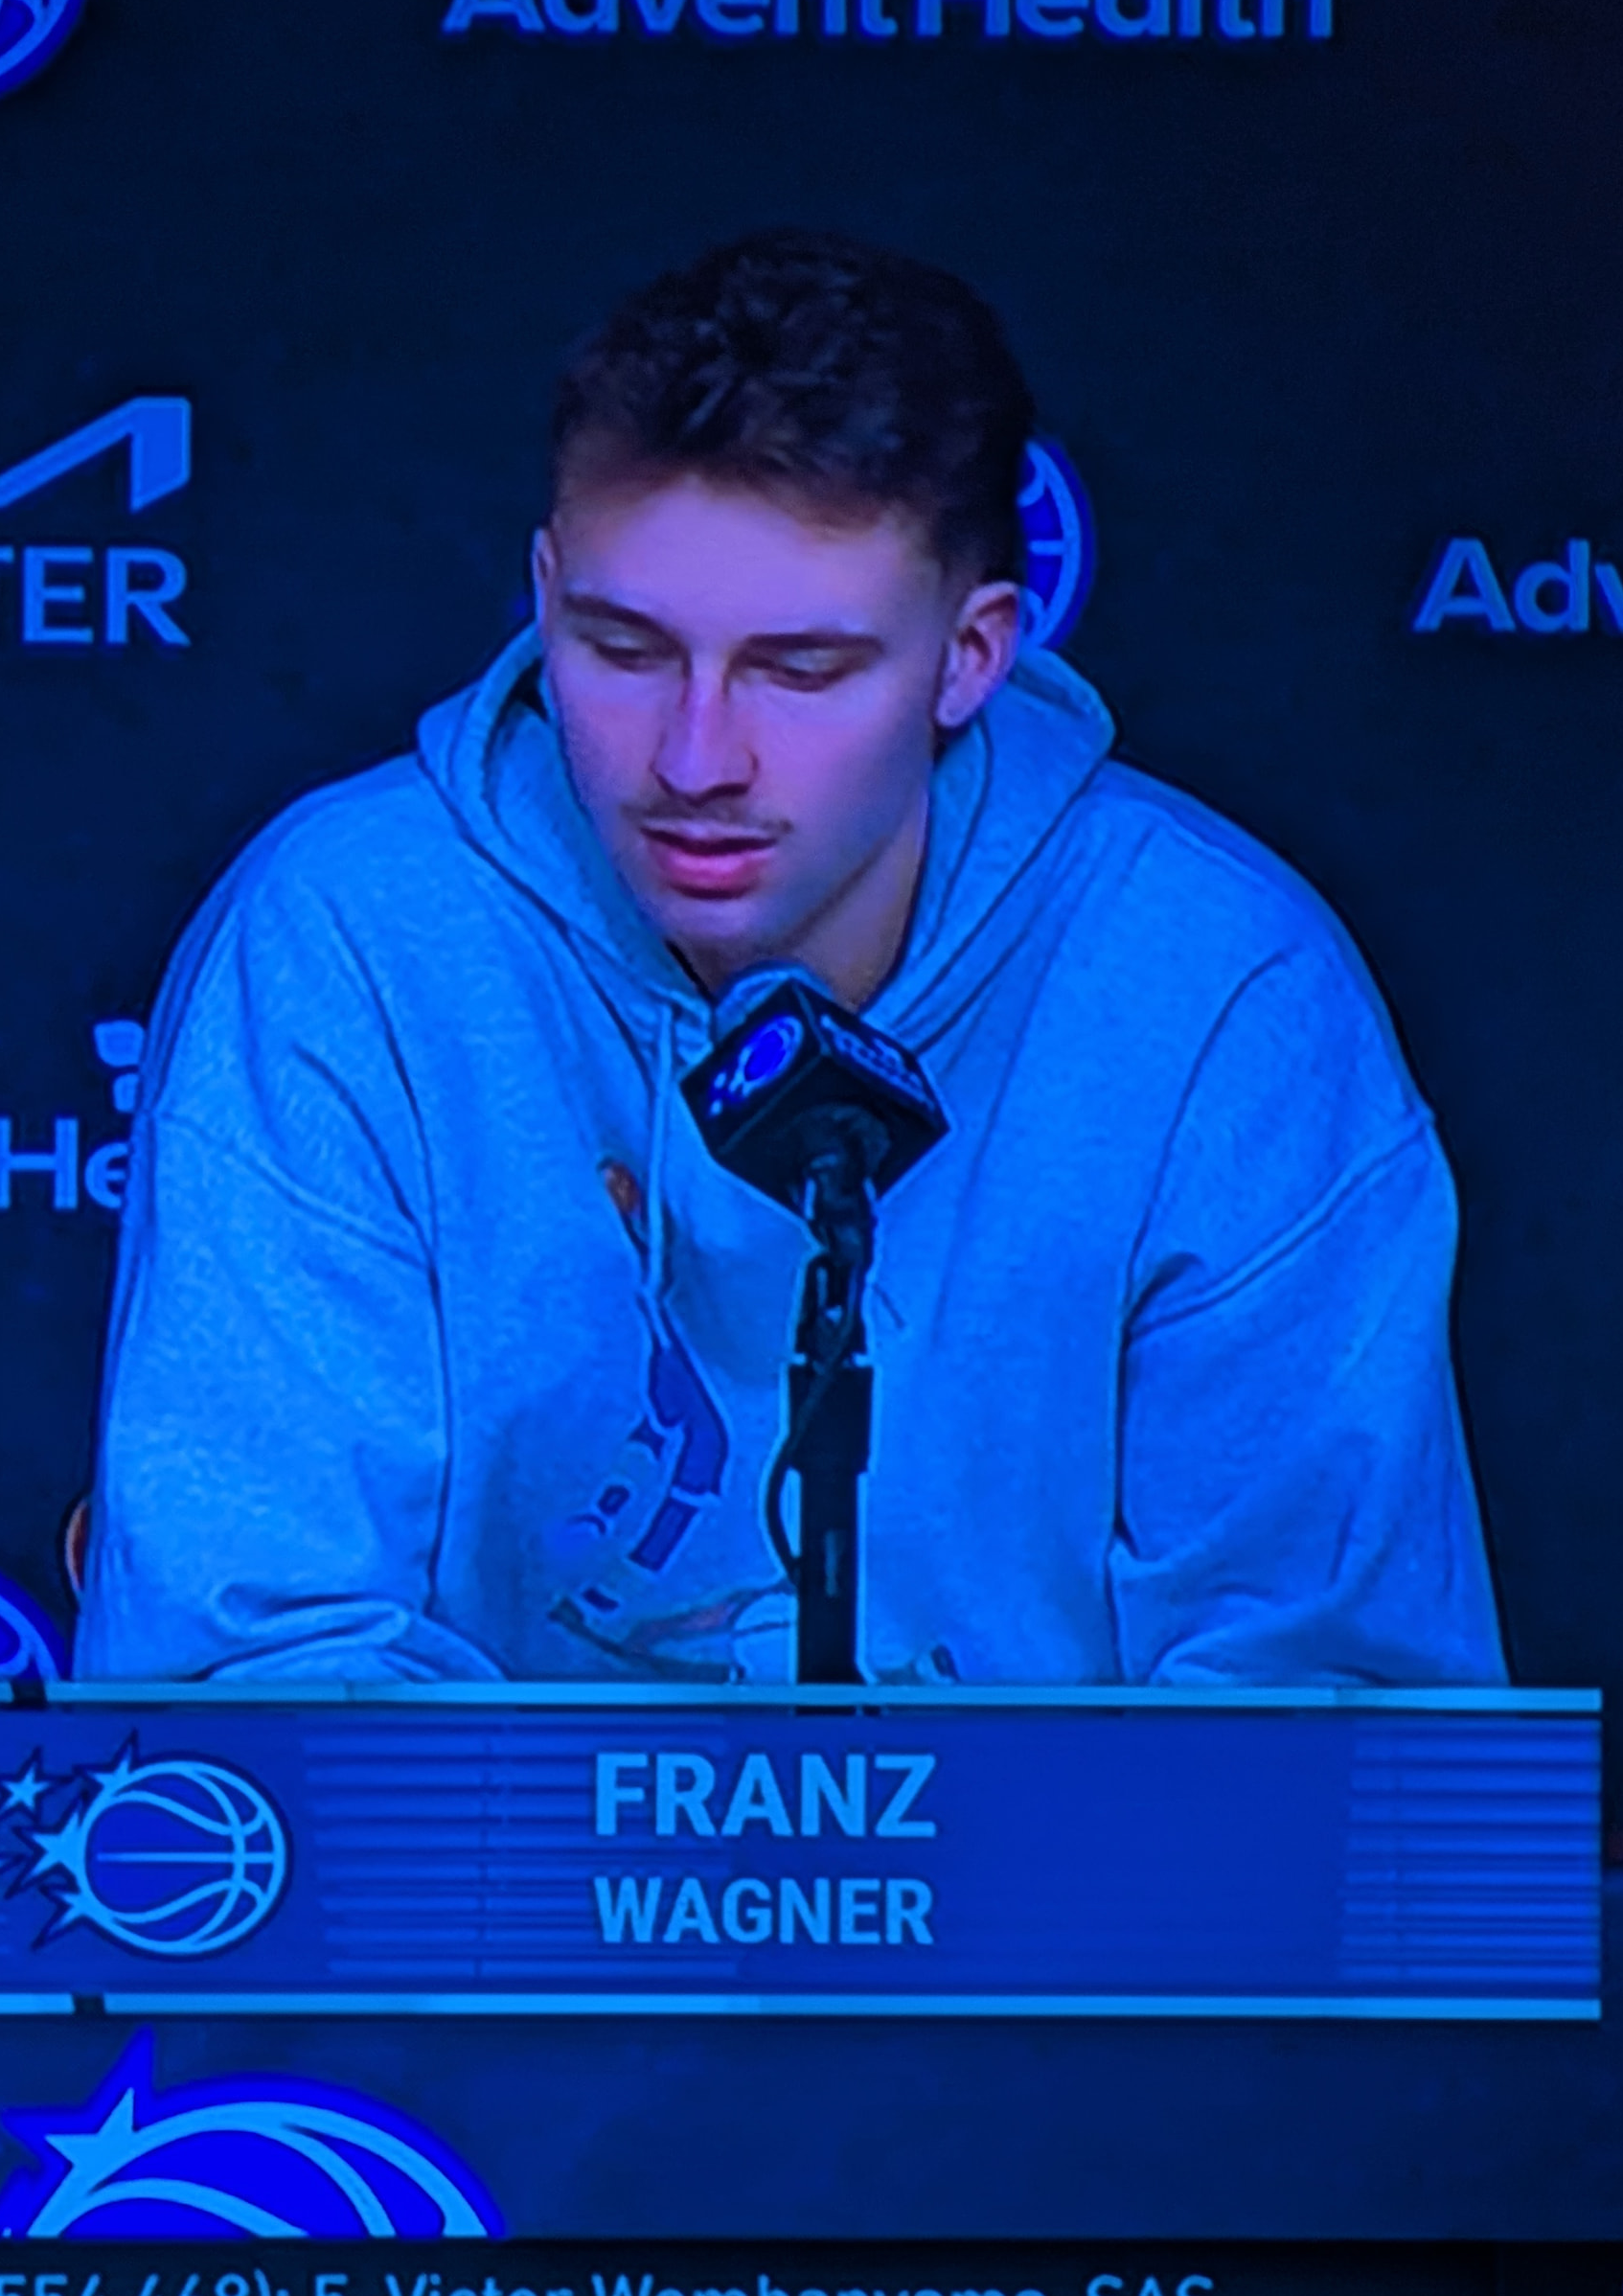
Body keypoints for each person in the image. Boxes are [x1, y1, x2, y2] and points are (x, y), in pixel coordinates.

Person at [75, 229, 1507, 1688]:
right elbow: (245, 1673)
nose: (696, 759)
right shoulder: (345, 941)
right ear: (545, 595)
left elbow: (1327, 1711)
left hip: (1052, 1857)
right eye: (624, 650)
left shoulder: (1223, 990)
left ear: (972, 654)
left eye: (801, 669)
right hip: (474, 1853)